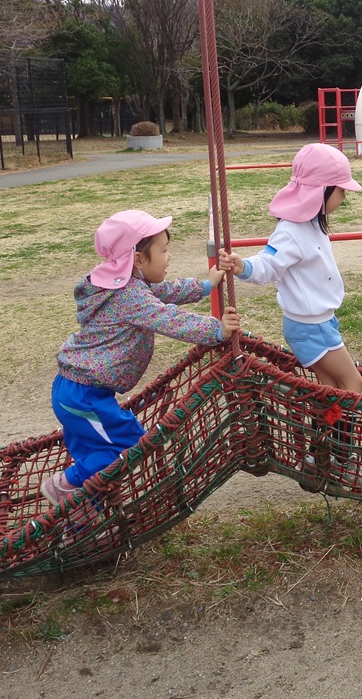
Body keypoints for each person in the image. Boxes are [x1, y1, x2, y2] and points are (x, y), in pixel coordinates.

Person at [41, 209, 241, 507]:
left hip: (78, 390)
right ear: (138, 259)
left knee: (96, 456)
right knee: (127, 444)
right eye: (164, 250)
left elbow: (164, 291)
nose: (169, 256)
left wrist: (205, 285)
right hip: (83, 396)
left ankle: (82, 516)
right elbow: (168, 318)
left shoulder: (125, 285)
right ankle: (62, 486)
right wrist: (217, 330)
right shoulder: (129, 296)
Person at [217, 143, 362, 478]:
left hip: (319, 322)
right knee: (352, 385)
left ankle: (318, 458)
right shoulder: (292, 231)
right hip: (310, 327)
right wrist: (242, 266)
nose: (344, 197)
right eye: (341, 190)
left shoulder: (311, 224)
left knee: (330, 390)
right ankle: (344, 457)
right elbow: (268, 263)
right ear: (320, 191)